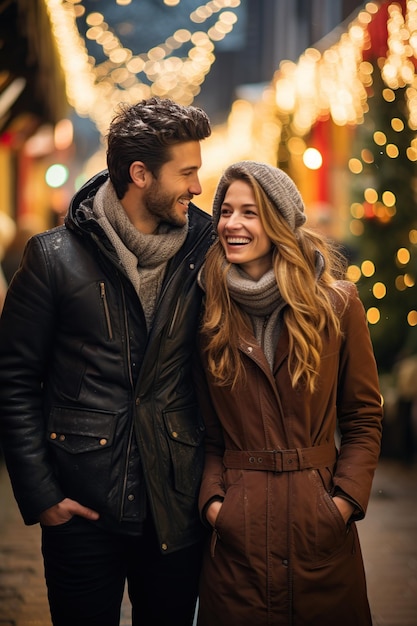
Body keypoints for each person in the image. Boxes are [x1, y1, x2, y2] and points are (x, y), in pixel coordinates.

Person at [0, 97, 214, 626]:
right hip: (80, 510)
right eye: (186, 173)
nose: (197, 187)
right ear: (140, 174)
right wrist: (42, 496)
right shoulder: (52, 257)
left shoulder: (206, 250)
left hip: (176, 508)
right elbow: (13, 379)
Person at [195, 161, 383, 626]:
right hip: (238, 538)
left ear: (280, 222)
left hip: (318, 529)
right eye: (225, 211)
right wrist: (217, 505)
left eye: (250, 212)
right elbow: (204, 429)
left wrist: (341, 503)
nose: (231, 224)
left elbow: (362, 416)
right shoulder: (207, 310)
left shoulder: (337, 304)